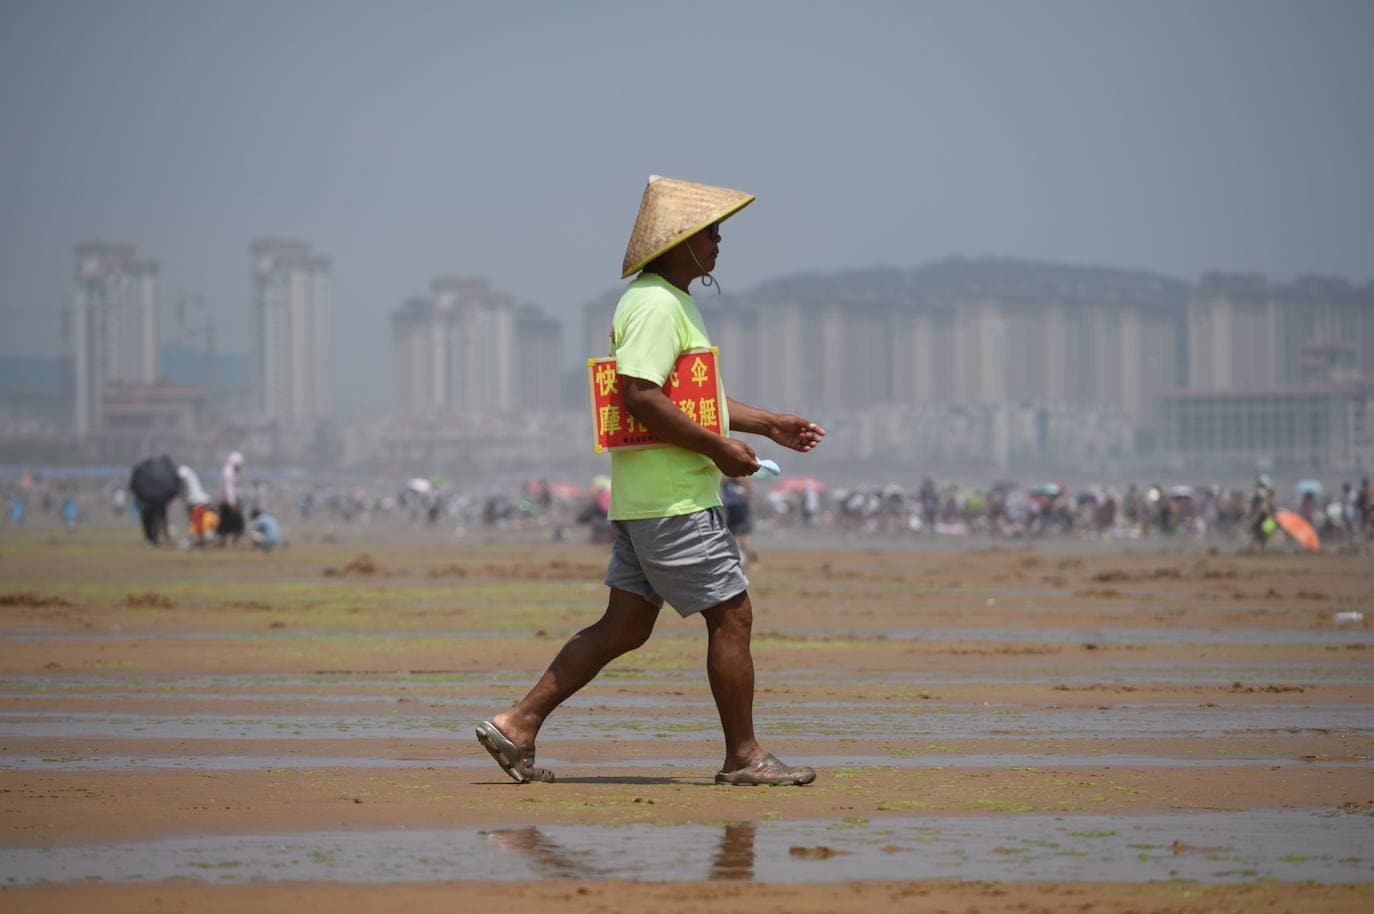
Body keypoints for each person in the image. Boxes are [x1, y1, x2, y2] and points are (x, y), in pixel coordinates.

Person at [477, 175, 825, 787]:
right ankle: (744, 756)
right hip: (674, 500)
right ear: (680, 243)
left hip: (648, 499)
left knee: (625, 627)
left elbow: (690, 398)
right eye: (710, 233)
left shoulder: (666, 302)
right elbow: (639, 395)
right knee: (732, 615)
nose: (719, 243)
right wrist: (719, 449)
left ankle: (518, 723)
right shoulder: (657, 305)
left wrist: (768, 423)